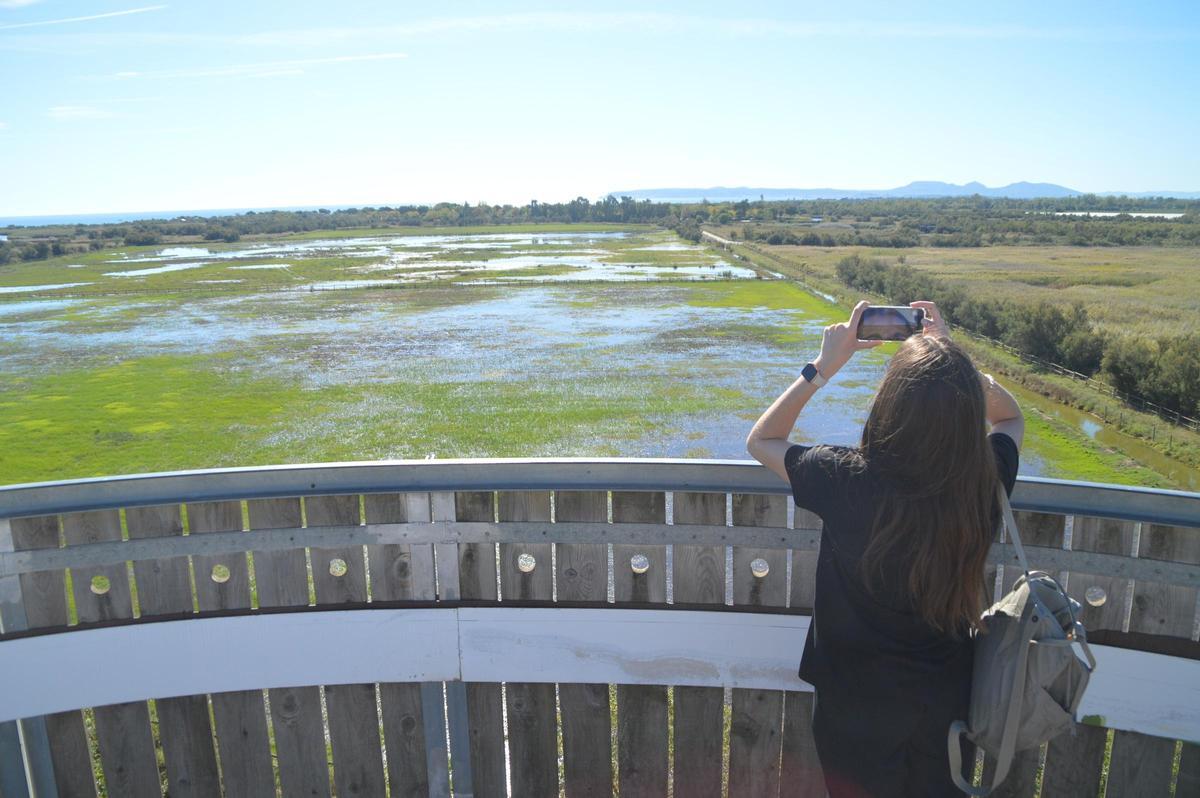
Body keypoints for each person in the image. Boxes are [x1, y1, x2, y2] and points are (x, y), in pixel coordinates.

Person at [746, 300, 1024, 797]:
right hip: (945, 704)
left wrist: (824, 366)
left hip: (854, 705)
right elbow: (1010, 420)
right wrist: (955, 366)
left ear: (890, 403)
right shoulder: (981, 482)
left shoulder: (845, 477)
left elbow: (763, 439)